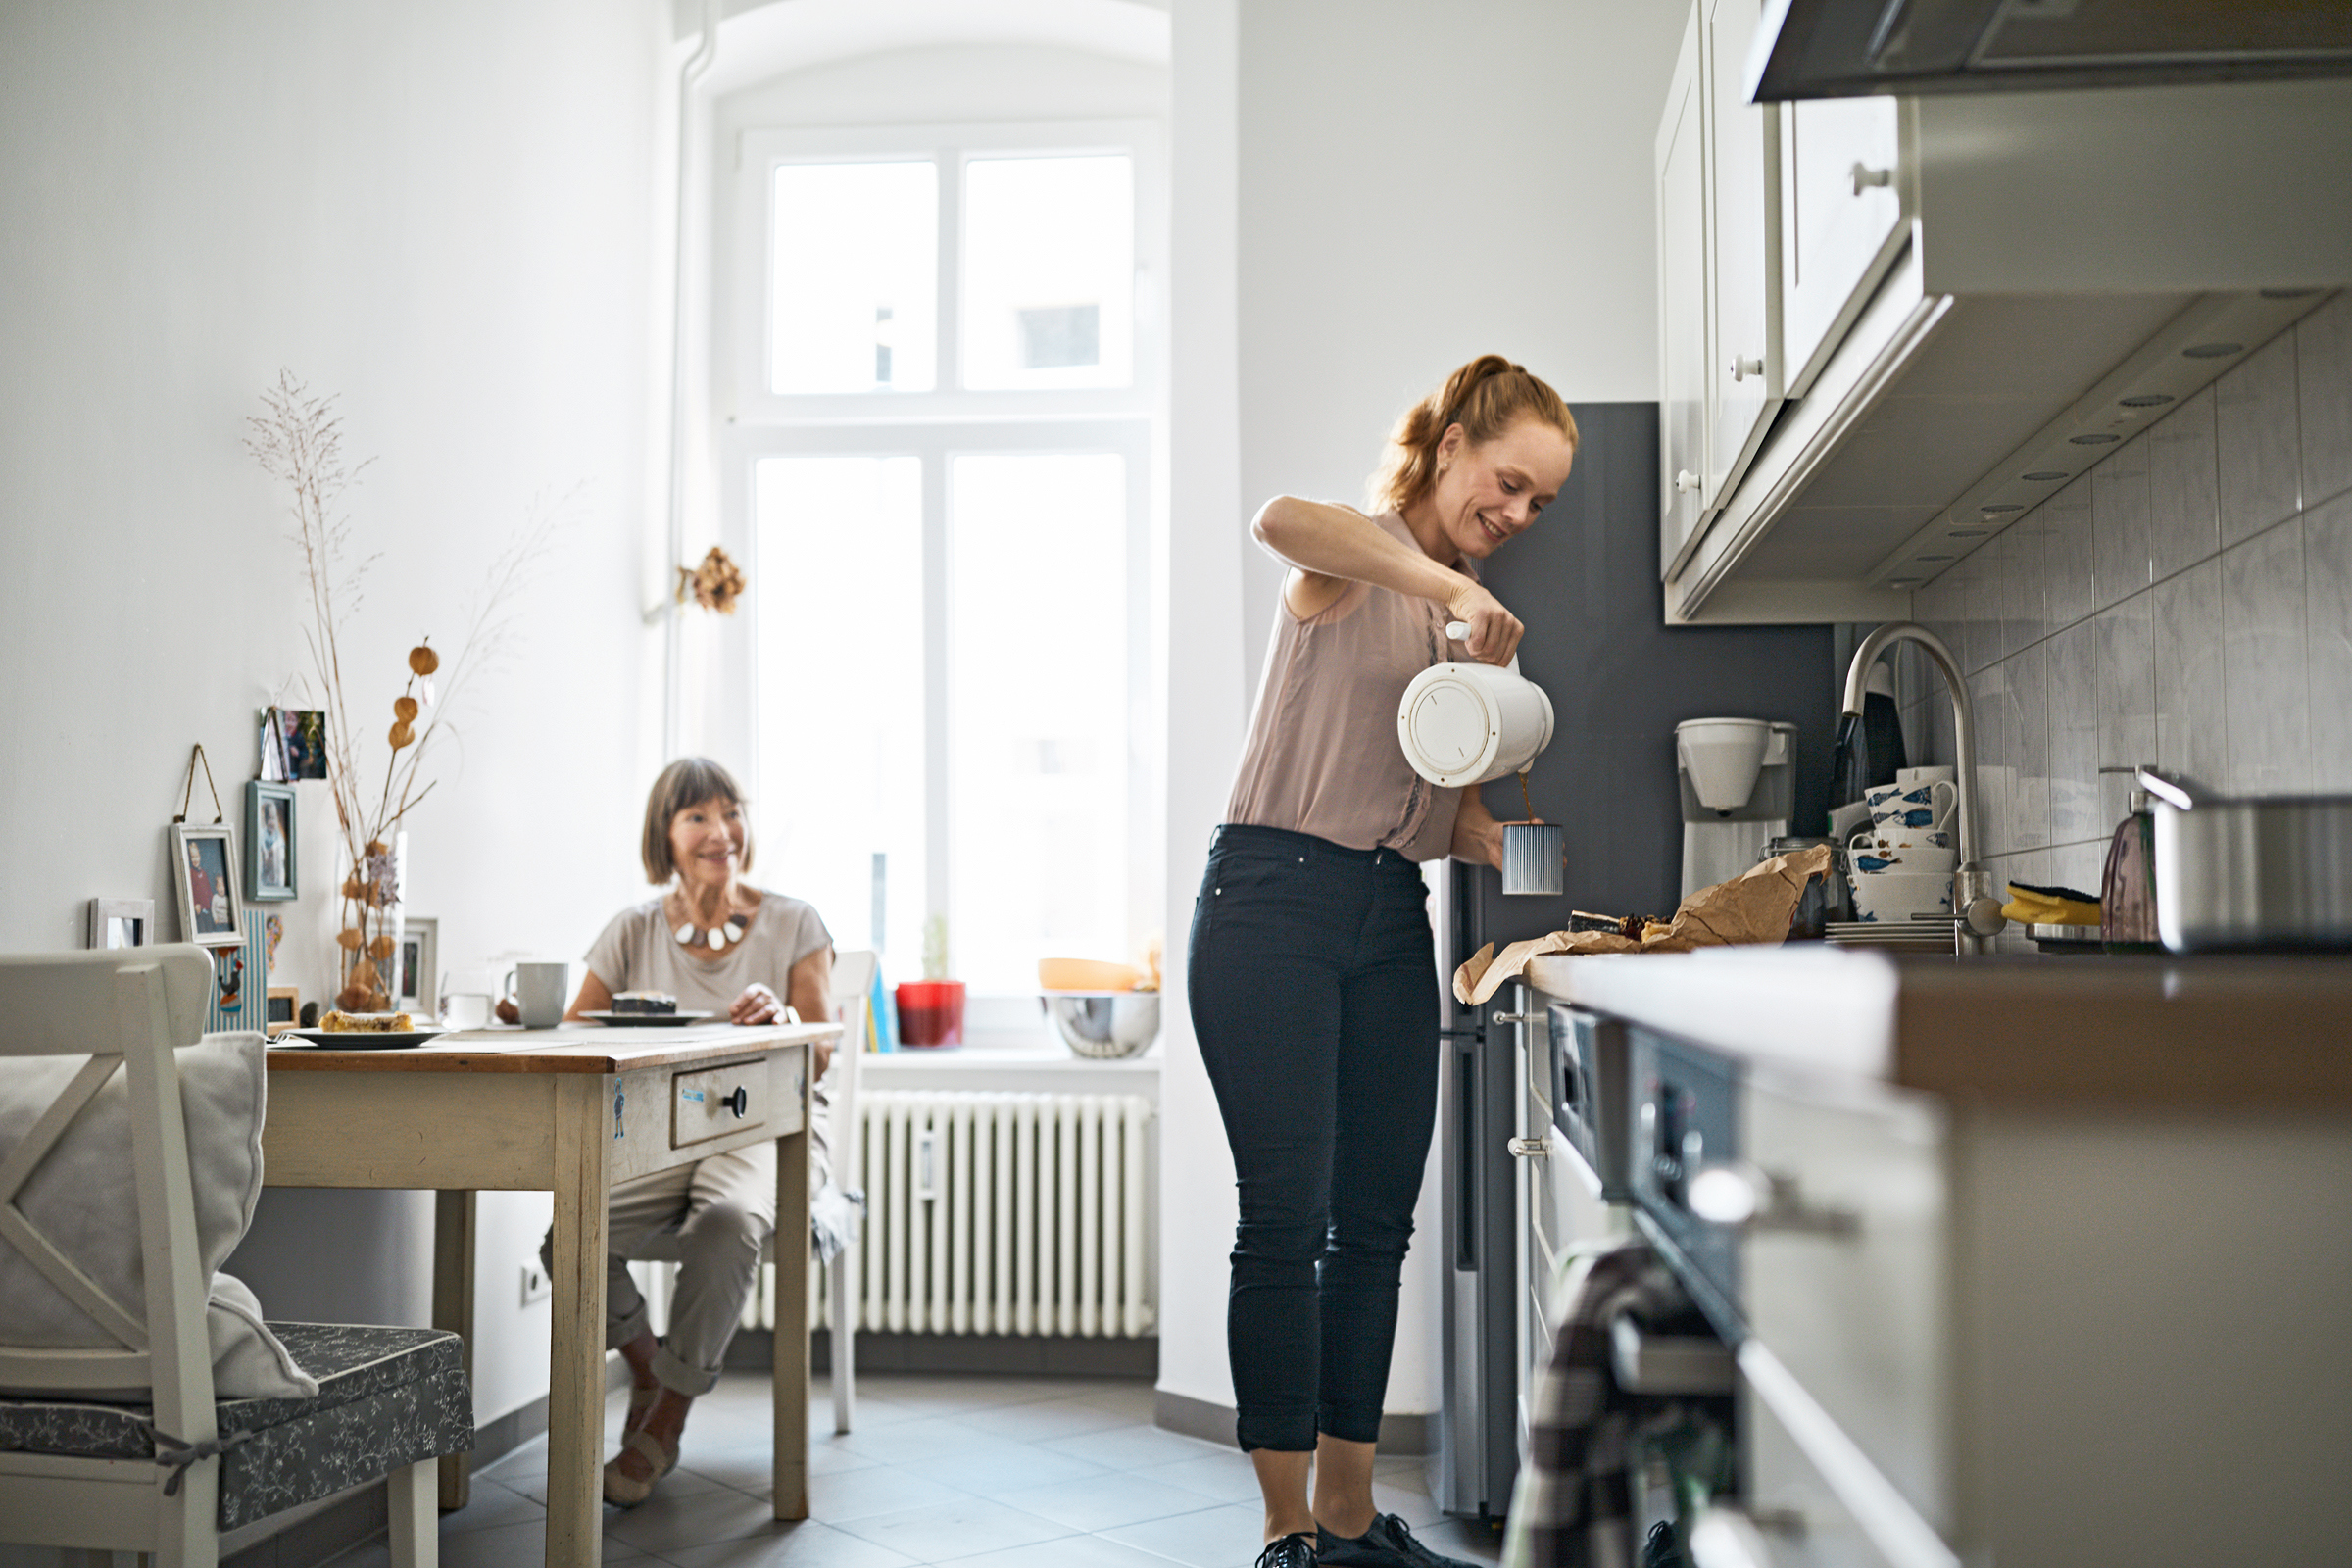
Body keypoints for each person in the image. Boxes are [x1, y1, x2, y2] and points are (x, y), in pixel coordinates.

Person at [1191, 356, 1579, 1568]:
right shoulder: (1354, 558)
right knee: (1286, 1221)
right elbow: (1277, 519)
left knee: (1374, 1229)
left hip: (1381, 913)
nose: (1516, 516)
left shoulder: (1463, 621)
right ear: (1452, 441)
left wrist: (1533, 858)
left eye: (1540, 504)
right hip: (1269, 905)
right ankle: (1288, 1531)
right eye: (1509, 483)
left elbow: (1427, 815)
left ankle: (1352, 1517)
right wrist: (1438, 581)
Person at [554, 757, 836, 1506]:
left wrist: (784, 1020)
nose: (722, 831)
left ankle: (667, 1418)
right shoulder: (634, 929)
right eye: (698, 817)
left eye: (731, 811)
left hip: (763, 1129)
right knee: (568, 1240)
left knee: (727, 1225)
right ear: (666, 835)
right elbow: (577, 1031)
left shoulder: (792, 921)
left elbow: (822, 1050)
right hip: (660, 1135)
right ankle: (651, 1368)